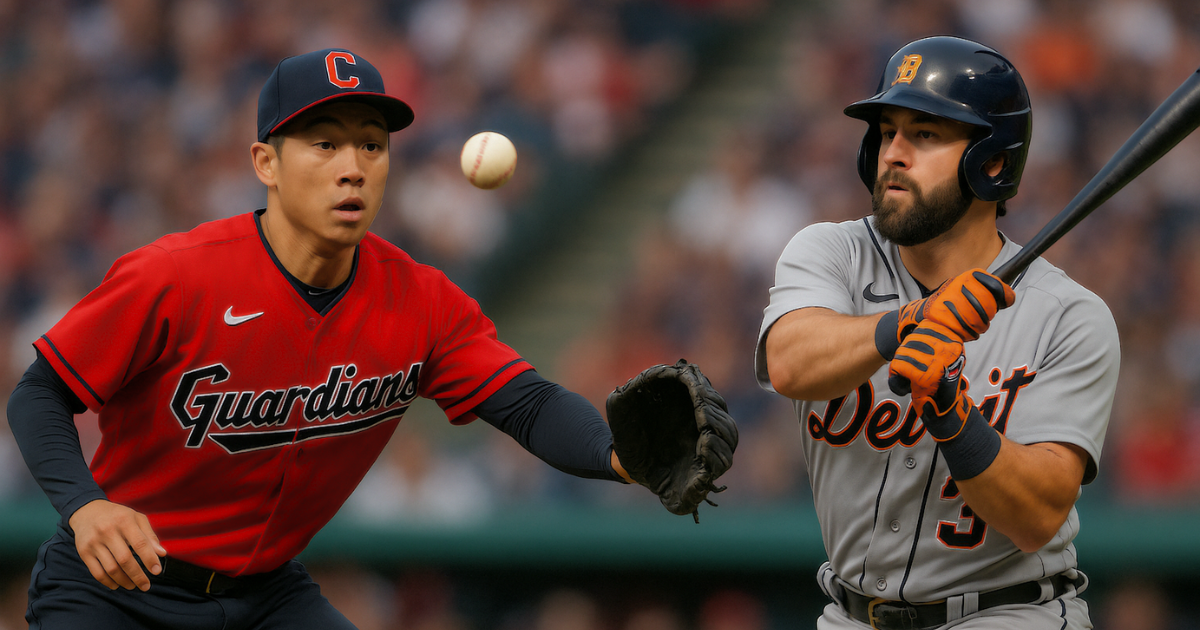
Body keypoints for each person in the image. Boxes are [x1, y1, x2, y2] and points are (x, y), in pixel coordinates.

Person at [5, 48, 647, 629]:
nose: (353, 168)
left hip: (264, 597)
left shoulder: (420, 300)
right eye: (324, 143)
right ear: (267, 163)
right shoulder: (176, 274)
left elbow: (527, 403)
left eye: (372, 145)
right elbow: (38, 395)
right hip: (116, 590)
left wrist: (618, 454)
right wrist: (84, 506)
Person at [754, 36, 1120, 629]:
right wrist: (912, 321)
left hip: (1007, 615)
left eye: (925, 134)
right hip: (849, 615)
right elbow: (790, 363)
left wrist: (947, 408)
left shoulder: (1068, 315)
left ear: (993, 162)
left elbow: (1036, 516)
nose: (893, 153)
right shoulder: (832, 253)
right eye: (887, 131)